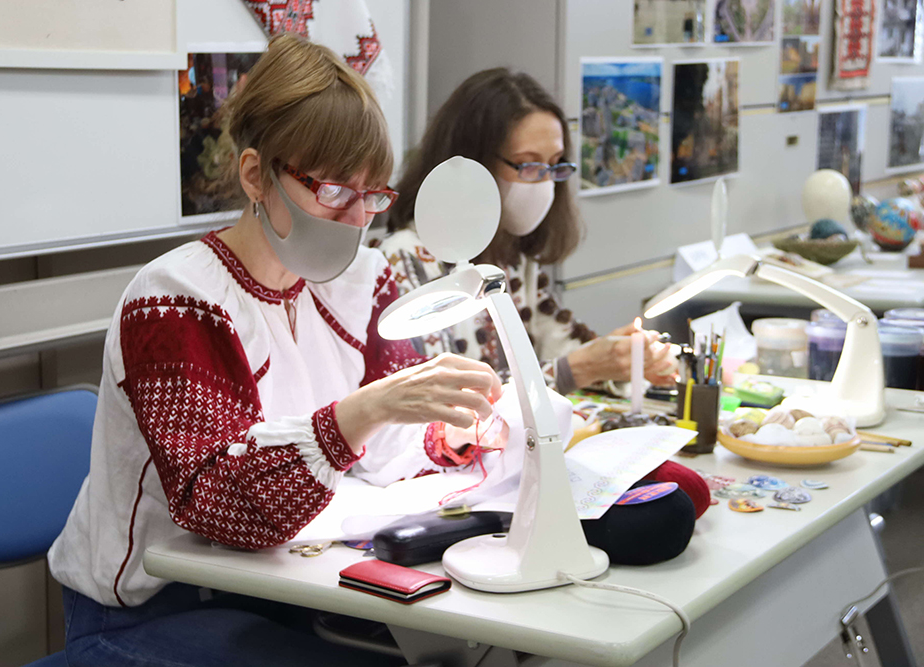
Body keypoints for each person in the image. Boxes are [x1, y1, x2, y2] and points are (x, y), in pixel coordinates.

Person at [47, 34, 504, 667]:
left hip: (295, 586)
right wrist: (358, 415)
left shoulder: (363, 280)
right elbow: (218, 504)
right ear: (257, 174)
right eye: (334, 191)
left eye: (372, 195)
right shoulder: (175, 301)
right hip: (155, 610)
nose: (354, 218)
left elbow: (389, 446)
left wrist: (451, 433)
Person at [377, 68, 678, 396]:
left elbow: (562, 346)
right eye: (529, 165)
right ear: (475, 161)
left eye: (555, 164)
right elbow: (449, 401)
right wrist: (577, 369)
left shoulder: (510, 251)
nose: (545, 183)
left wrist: (619, 357)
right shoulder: (403, 260)